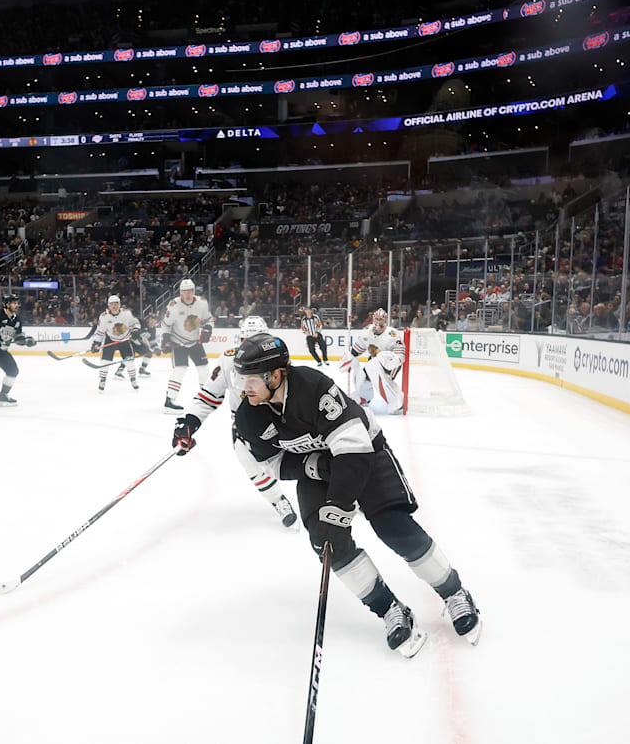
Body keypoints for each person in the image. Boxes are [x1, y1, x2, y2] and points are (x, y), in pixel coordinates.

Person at [209, 333, 480, 657]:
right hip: (318, 471)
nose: (243, 387)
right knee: (327, 543)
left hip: (363, 451)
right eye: (241, 378)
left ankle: (454, 593)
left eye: (251, 379)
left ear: (276, 375)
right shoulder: (248, 416)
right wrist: (317, 468)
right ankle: (390, 609)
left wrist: (339, 504)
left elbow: (353, 449)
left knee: (392, 526)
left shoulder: (314, 388)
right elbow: (272, 464)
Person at [171, 315, 299, 530]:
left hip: (281, 421)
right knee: (249, 462)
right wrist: (189, 422)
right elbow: (208, 396)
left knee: (312, 460)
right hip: (247, 427)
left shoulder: (279, 362)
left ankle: (344, 491)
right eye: (248, 343)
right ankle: (279, 501)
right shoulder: (228, 361)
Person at [160, 278, 214, 413]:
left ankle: (205, 397)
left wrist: (208, 329)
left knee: (203, 369)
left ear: (194, 291)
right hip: (178, 342)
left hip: (195, 341)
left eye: (190, 291)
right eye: (184, 291)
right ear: (180, 292)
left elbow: (208, 319)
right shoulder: (173, 305)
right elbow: (166, 325)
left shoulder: (202, 303)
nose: (187, 294)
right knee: (180, 370)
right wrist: (165, 339)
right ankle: (169, 401)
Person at [339, 308, 405, 413]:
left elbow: (400, 355)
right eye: (376, 319)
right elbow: (357, 350)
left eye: (381, 319)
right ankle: (363, 397)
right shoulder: (367, 331)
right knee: (361, 375)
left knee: (377, 373)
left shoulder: (392, 334)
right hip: (374, 362)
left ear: (386, 320)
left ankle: (396, 401)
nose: (378, 322)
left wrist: (392, 363)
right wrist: (349, 358)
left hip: (390, 363)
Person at [93, 294, 143, 393]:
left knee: (129, 362)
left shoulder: (127, 313)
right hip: (110, 340)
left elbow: (136, 323)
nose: (114, 306)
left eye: (116, 304)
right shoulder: (104, 317)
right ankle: (102, 381)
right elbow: (100, 332)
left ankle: (133, 380)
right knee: (105, 362)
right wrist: (95, 343)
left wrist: (135, 331)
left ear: (119, 304)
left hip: (124, 340)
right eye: (112, 304)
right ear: (108, 305)